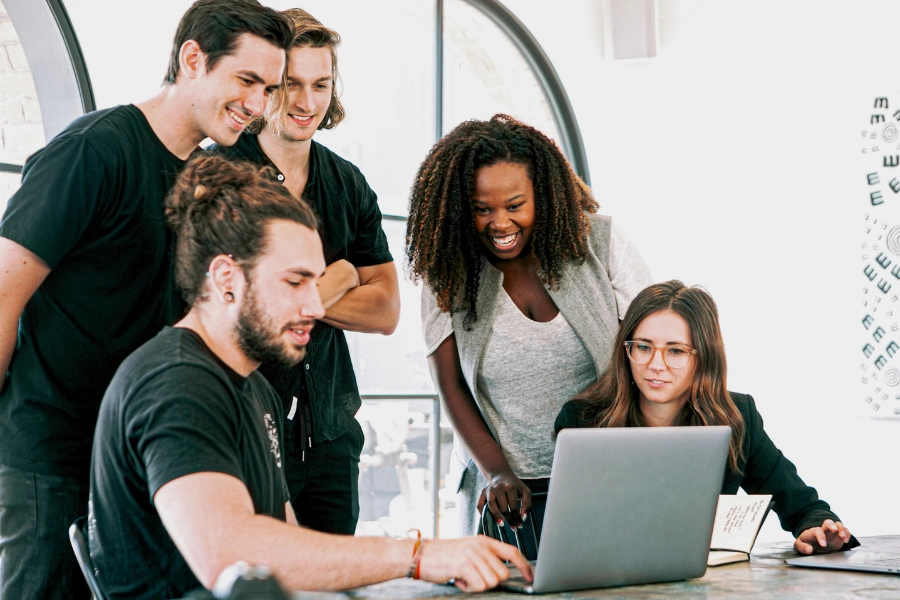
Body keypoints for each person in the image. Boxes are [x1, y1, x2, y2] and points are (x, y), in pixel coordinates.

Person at [88, 155, 531, 599]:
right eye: (295, 282)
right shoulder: (176, 383)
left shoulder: (254, 387)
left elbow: (288, 543)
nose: (317, 308)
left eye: (315, 282)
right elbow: (232, 557)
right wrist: (416, 556)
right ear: (226, 277)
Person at [0, 2, 292, 597]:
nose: (260, 106)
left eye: (269, 89)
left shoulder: (208, 177)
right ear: (192, 59)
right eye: (247, 81)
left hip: (141, 457)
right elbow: (4, 292)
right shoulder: (93, 150)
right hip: (51, 455)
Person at [405, 114, 653, 538]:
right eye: (482, 209)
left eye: (515, 206)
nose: (499, 224)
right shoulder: (447, 270)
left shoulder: (600, 242)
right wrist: (497, 473)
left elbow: (649, 351)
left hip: (606, 473)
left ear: (544, 195)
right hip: (505, 492)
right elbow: (451, 386)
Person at [211, 8, 400, 535]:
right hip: (245, 430)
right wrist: (340, 276)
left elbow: (386, 310)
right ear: (267, 86)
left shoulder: (348, 183)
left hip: (331, 437)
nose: (306, 102)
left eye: (321, 84)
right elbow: (233, 309)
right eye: (291, 84)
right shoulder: (219, 175)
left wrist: (292, 294)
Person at [555, 280, 859, 555]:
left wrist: (817, 529)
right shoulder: (583, 420)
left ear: (703, 357)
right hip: (607, 577)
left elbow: (801, 504)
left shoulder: (737, 418)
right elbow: (568, 530)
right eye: (643, 347)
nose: (655, 364)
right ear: (627, 351)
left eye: (675, 351)